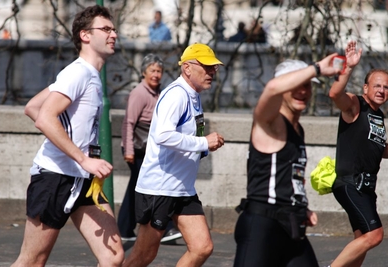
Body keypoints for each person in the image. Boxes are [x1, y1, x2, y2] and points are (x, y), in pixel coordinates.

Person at [11, 5, 124, 267]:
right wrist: (84, 159)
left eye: (114, 29)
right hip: (55, 178)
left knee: (113, 256)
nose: (113, 34)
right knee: (32, 261)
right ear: (85, 35)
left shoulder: (88, 75)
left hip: (83, 182)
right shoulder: (78, 72)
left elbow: (32, 107)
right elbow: (44, 118)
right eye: (105, 29)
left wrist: (84, 163)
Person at [122, 43, 225, 267]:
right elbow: (163, 135)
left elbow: (185, 136)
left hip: (182, 189)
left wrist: (205, 146)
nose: (212, 72)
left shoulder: (193, 95)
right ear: (187, 68)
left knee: (202, 247)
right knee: (143, 256)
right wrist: (202, 142)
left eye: (214, 68)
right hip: (159, 189)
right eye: (207, 67)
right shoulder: (176, 95)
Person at [233, 56, 341, 267]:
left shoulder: (298, 129)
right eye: (296, 86)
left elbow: (289, 175)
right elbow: (272, 87)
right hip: (262, 225)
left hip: (291, 225)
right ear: (285, 87)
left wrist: (302, 206)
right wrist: (317, 68)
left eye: (307, 87)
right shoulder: (269, 122)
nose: (303, 92)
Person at [328, 41, 388, 267]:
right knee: (375, 235)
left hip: (366, 188)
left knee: (361, 241)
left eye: (386, 88)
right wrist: (349, 66)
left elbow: (379, 150)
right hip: (351, 183)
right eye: (377, 86)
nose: (382, 91)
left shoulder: (378, 115)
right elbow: (335, 93)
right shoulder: (356, 105)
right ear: (366, 88)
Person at [117, 53, 182, 243]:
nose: (156, 74)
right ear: (144, 72)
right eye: (152, 70)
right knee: (155, 187)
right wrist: (128, 150)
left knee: (135, 189)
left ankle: (124, 228)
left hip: (147, 150)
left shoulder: (159, 93)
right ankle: (166, 228)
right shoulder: (139, 93)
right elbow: (128, 123)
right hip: (136, 150)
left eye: (159, 71)